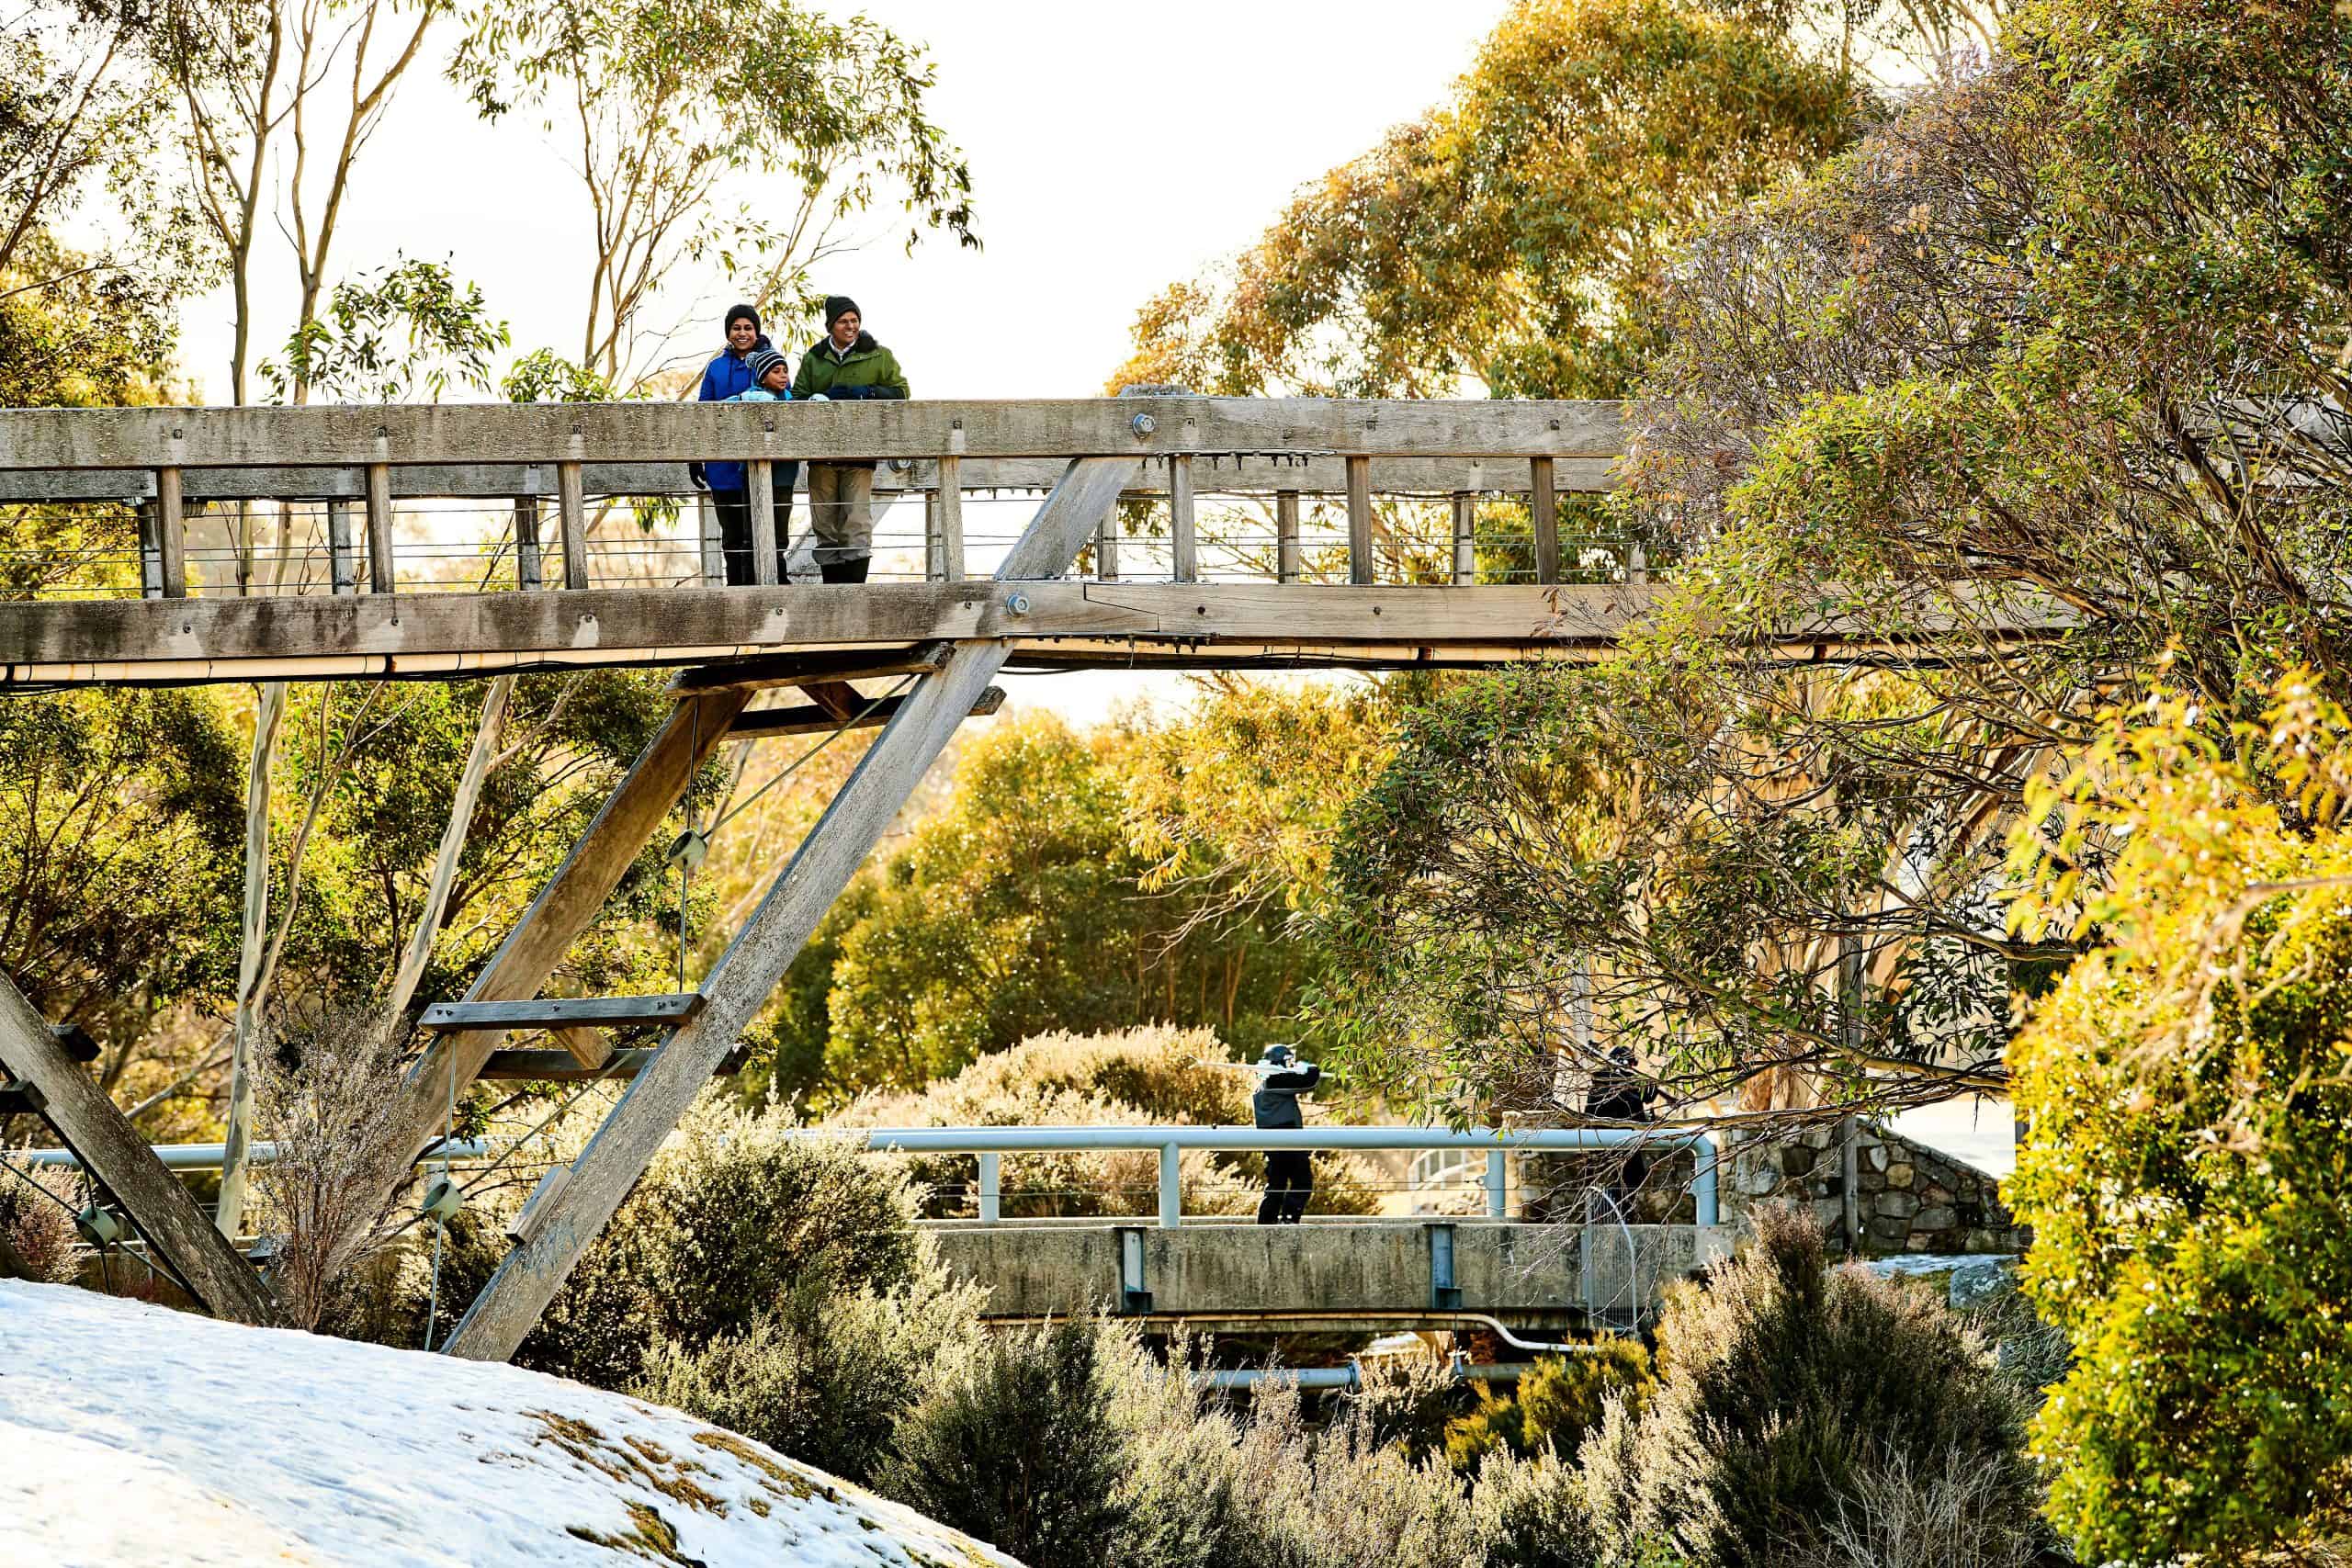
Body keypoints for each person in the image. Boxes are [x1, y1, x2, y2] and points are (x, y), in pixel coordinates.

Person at [791, 295, 910, 584]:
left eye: (855, 320)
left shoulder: (879, 355)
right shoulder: (814, 358)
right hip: (821, 456)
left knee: (856, 524)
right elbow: (795, 400)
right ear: (831, 325)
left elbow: (901, 392)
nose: (850, 326)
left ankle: (854, 593)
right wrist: (814, 401)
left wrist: (863, 392)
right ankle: (834, 593)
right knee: (825, 525)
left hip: (859, 455)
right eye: (844, 321)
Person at [694, 303, 797, 586]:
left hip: (764, 465)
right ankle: (737, 591)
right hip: (723, 466)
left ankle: (772, 588)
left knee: (768, 533)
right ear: (728, 332)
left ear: (757, 331)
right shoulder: (715, 368)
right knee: (733, 535)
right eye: (736, 328)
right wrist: (696, 456)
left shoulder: (773, 363)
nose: (742, 333)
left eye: (748, 328)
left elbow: (789, 404)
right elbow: (703, 413)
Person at [1251, 1043, 1322, 1224]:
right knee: (1303, 1182)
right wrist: (1308, 1067)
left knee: (1277, 1183)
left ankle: (1266, 1222)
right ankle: (1288, 1218)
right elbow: (1309, 1080)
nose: (1291, 1065)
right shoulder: (1275, 1081)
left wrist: (1298, 1071)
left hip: (1275, 1142)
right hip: (1287, 1140)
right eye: (1288, 1062)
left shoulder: (1265, 1083)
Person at [1583, 1043, 1658, 1208]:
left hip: (1616, 1147)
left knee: (1628, 1183)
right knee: (1610, 1188)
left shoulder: (1618, 1083)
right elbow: (1631, 1110)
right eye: (1631, 1064)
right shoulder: (1606, 1084)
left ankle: (1620, 1213)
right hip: (1610, 1145)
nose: (1632, 1068)